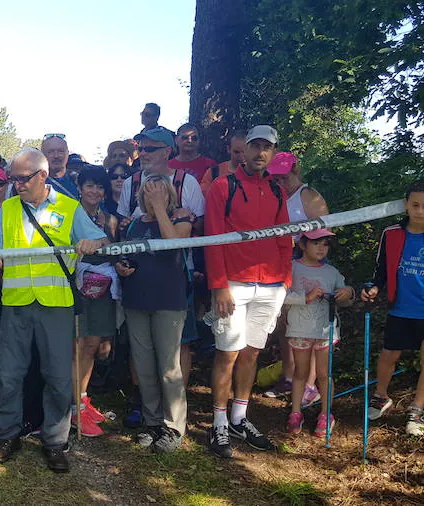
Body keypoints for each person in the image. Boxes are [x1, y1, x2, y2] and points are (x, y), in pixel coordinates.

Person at [0, 147, 107, 473]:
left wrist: (93, 243)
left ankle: (55, 441)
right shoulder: (8, 208)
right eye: (13, 178)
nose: (17, 184)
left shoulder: (70, 208)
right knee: (9, 375)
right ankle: (6, 436)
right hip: (16, 304)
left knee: (56, 377)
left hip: (56, 306)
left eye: (23, 178)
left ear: (42, 176)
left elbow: (100, 240)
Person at [204, 125, 292, 458]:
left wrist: (284, 280)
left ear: (273, 153)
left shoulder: (277, 190)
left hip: (270, 285)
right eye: (254, 145)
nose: (259, 153)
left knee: (253, 352)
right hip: (234, 285)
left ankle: (240, 417)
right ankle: (219, 422)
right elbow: (212, 238)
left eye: (266, 147)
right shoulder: (223, 186)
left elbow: (285, 237)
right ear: (244, 150)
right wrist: (219, 285)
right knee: (227, 353)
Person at [117, 173, 193, 452]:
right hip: (136, 300)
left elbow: (173, 245)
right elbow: (127, 254)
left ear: (169, 194)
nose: (152, 195)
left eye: (158, 191)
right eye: (148, 192)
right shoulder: (135, 224)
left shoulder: (182, 219)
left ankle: (173, 426)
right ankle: (151, 421)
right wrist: (121, 267)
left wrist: (161, 208)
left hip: (168, 302)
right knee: (144, 365)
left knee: (169, 367)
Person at [264, 151, 331, 402]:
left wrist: (304, 247)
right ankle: (290, 375)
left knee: (309, 321)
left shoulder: (308, 195)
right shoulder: (273, 194)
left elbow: (324, 230)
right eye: (275, 177)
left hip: (306, 261)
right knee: (285, 321)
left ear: (295, 171)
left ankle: (310, 384)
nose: (280, 182)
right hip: (281, 261)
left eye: (284, 176)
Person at [363, 180, 424, 436]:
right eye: (415, 205)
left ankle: (417, 409)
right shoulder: (392, 233)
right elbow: (380, 271)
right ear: (406, 205)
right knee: (389, 355)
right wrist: (374, 287)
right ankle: (380, 396)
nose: (420, 211)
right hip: (401, 307)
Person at [283, 229, 353, 437]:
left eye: (325, 244)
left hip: (325, 331)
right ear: (302, 245)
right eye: (316, 243)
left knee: (324, 374)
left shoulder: (331, 272)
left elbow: (347, 297)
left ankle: (326, 413)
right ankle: (296, 412)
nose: (322, 248)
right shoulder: (291, 268)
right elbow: (281, 295)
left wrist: (347, 293)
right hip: (299, 329)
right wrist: (306, 297)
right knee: (300, 373)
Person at [73, 167, 119, 438]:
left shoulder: (110, 220)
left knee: (91, 345)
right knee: (77, 345)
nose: (94, 191)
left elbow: (114, 251)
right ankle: (73, 407)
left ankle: (82, 396)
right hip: (77, 286)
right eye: (88, 185)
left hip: (103, 288)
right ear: (80, 187)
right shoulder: (70, 214)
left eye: (99, 187)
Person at [40, 133, 79, 199]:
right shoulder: (34, 184)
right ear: (42, 155)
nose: (56, 156)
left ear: (68, 153)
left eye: (61, 151)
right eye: (51, 152)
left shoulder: (79, 181)